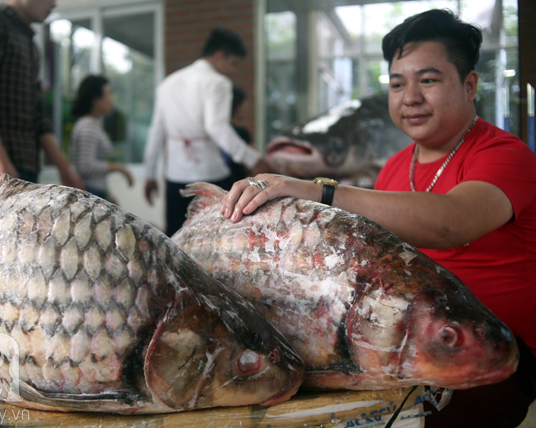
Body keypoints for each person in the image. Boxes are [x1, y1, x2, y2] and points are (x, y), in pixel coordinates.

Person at [220, 9, 536, 428]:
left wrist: (319, 190)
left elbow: (452, 221)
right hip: (406, 343)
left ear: (470, 85)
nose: (411, 98)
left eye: (428, 80)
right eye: (397, 83)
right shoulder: (394, 168)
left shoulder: (506, 155)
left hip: (489, 349)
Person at [144, 27, 271, 236]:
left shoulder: (167, 84)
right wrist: (253, 159)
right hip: (211, 176)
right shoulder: (217, 82)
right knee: (217, 238)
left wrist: (150, 174)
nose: (233, 71)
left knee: (176, 238)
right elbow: (217, 128)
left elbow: (156, 132)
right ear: (219, 55)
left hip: (175, 177)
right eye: (232, 64)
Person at [0, 0, 83, 205]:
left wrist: (65, 169)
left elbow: (38, 115)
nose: (54, 3)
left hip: (26, 162)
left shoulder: (30, 43)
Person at [70, 75, 133, 202]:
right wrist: (118, 168)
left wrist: (108, 195)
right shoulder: (87, 127)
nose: (111, 100)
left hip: (96, 190)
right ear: (96, 99)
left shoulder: (92, 124)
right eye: (108, 95)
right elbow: (85, 166)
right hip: (90, 192)